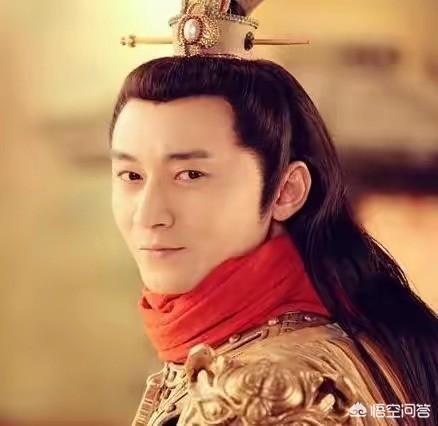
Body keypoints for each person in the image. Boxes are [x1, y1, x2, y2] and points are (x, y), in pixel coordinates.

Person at [109, 1, 438, 424]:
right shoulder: (341, 330)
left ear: (286, 191)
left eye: (191, 174)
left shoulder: (270, 393)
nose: (148, 215)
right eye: (131, 175)